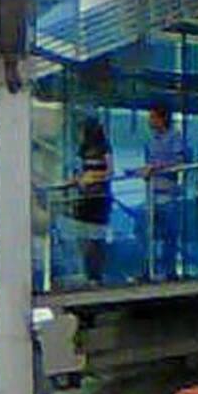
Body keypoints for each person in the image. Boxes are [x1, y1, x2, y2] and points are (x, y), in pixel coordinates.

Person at [142, 104, 190, 280]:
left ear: (161, 119)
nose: (150, 121)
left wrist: (158, 167)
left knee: (170, 234)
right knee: (146, 232)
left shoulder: (175, 137)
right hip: (153, 193)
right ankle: (150, 269)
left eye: (153, 117)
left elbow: (180, 162)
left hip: (169, 194)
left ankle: (170, 271)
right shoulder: (150, 141)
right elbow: (148, 162)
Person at [70, 118, 113, 285]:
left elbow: (110, 172)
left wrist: (93, 177)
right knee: (84, 237)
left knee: (96, 238)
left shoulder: (105, 148)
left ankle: (97, 274)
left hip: (99, 198)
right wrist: (78, 179)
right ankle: (87, 272)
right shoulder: (83, 149)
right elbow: (78, 170)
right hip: (84, 197)